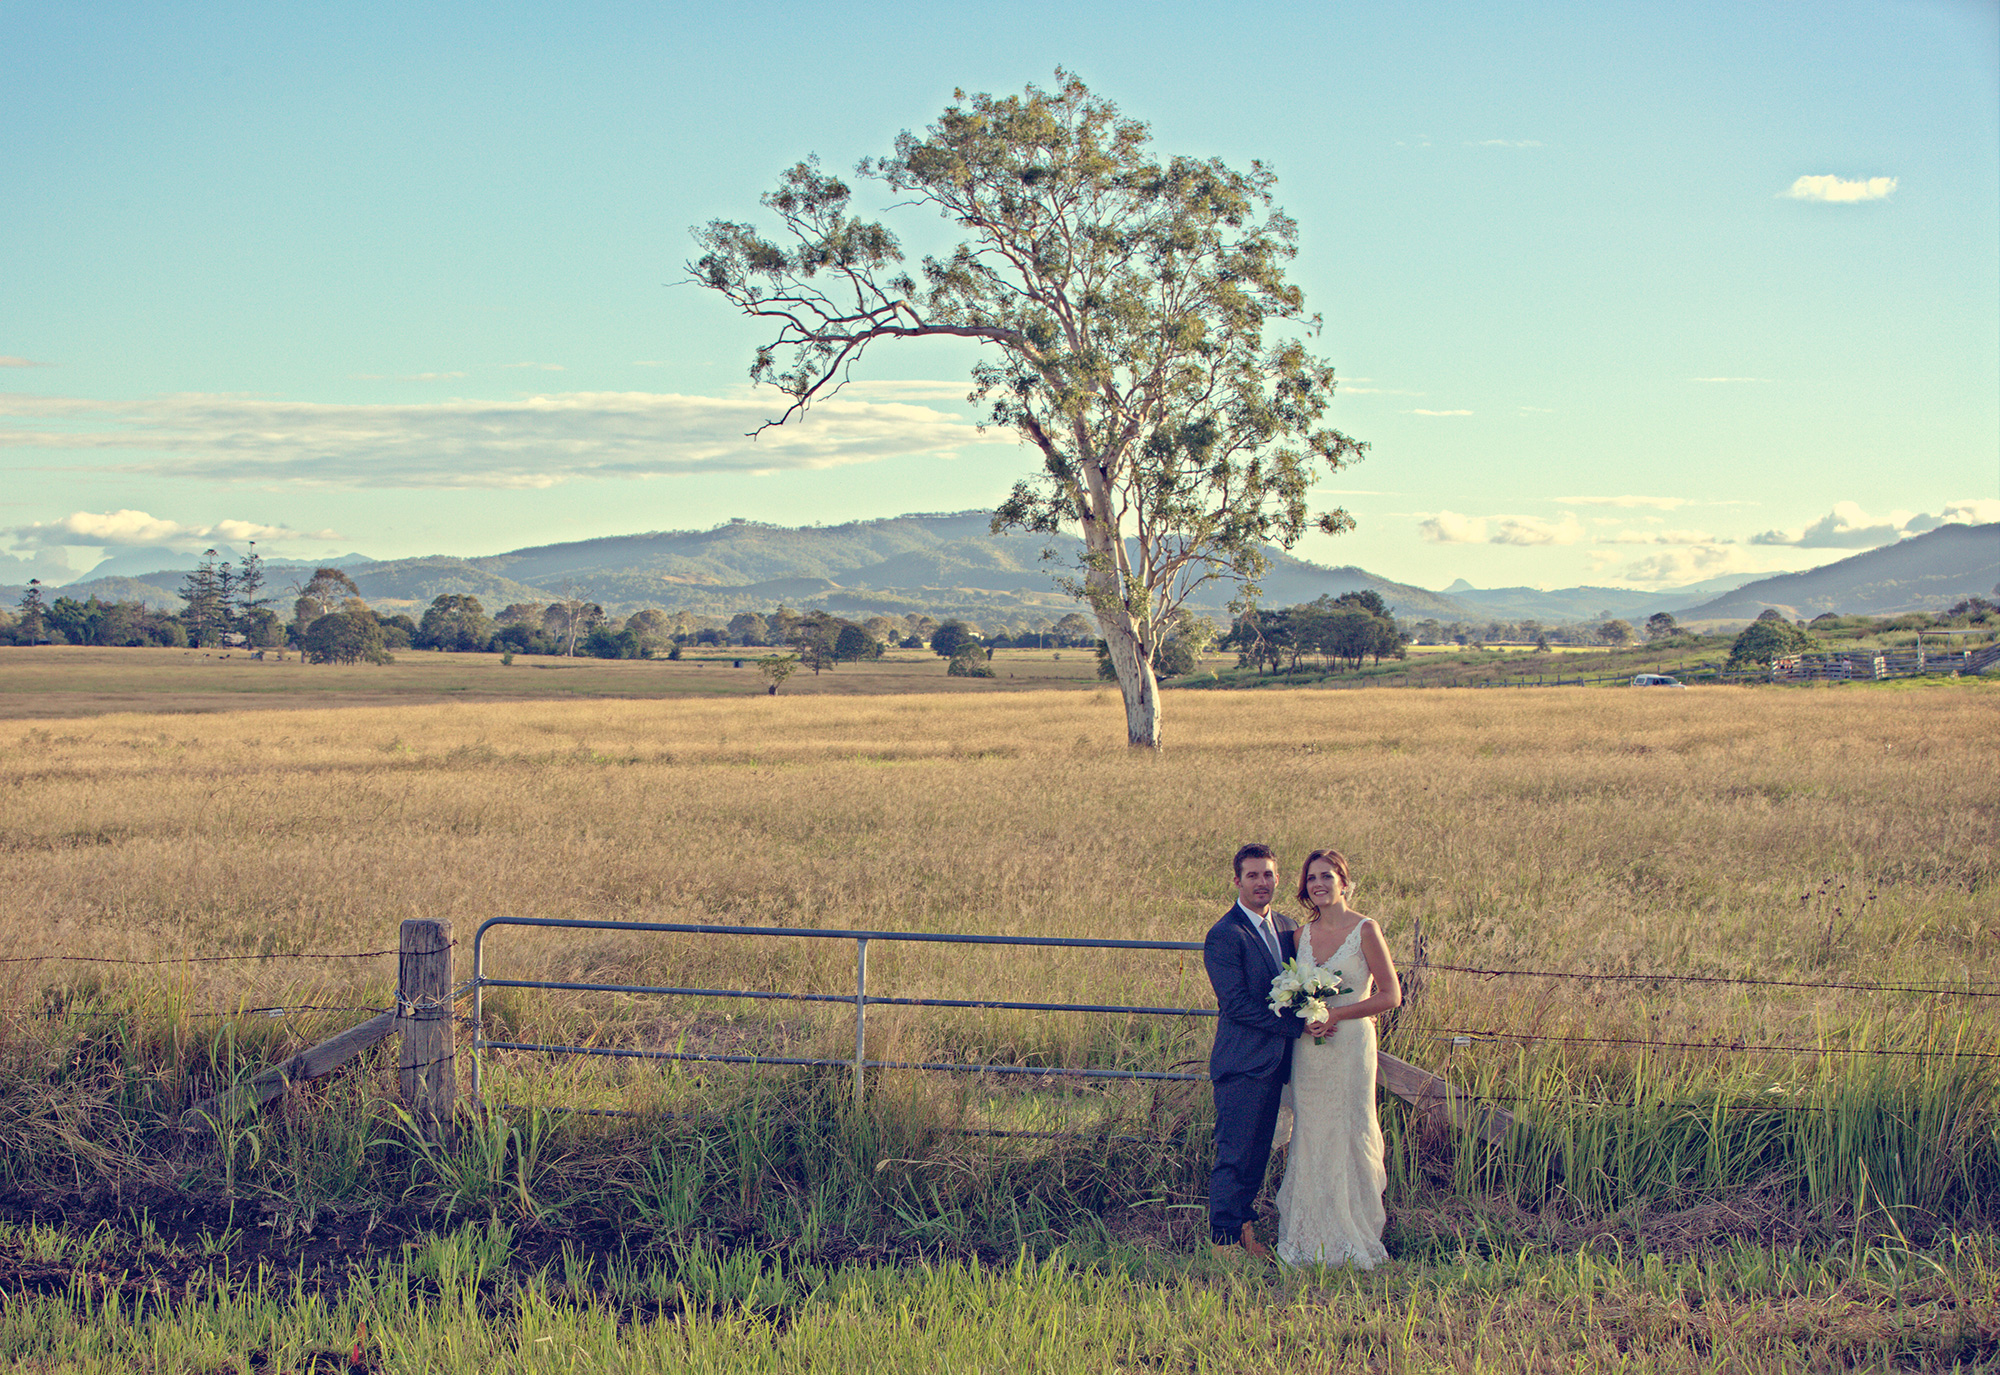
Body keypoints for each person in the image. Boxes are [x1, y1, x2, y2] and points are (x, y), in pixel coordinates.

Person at [1274, 848, 1401, 1268]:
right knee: (1312, 1132)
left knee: (1348, 1129)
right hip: (1309, 1050)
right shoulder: (1299, 936)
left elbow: (1390, 995)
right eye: (1312, 879)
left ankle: (1353, 1231)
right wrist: (1304, 1015)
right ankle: (1308, 1234)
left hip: (1349, 1047)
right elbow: (1291, 988)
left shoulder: (1366, 929)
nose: (1319, 884)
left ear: (1344, 882)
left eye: (1327, 876)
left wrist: (1336, 1014)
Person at [1202, 843, 1307, 1259]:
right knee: (1235, 1154)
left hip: (1278, 1064)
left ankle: (1245, 1231)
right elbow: (1236, 1003)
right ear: (1237, 881)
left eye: (1268, 874)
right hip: (1242, 1063)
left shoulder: (1285, 926)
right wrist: (1297, 1025)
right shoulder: (1224, 934)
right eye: (1252, 875)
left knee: (1259, 1153)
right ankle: (1223, 1242)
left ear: (1277, 879)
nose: (1261, 882)